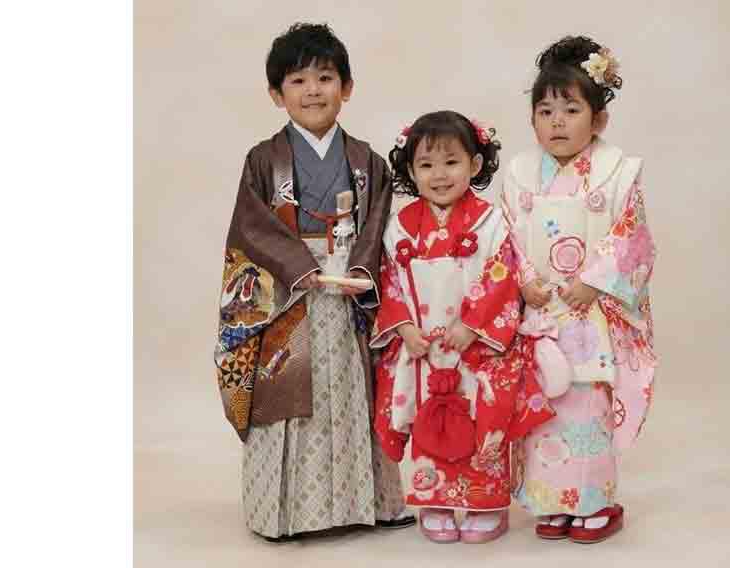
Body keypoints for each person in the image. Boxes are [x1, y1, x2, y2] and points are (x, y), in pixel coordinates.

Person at [213, 22, 412, 541]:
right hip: (289, 293)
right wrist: (301, 267)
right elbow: (250, 227)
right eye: (298, 81)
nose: (313, 91)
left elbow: (377, 224)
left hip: (348, 288)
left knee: (352, 392)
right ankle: (285, 515)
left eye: (326, 78)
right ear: (277, 94)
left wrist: (359, 270)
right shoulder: (263, 159)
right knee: (286, 394)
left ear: (346, 88)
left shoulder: (367, 161)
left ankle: (371, 504)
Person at [502, 35, 658, 544]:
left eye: (571, 109)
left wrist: (593, 281)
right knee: (543, 403)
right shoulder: (520, 173)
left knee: (587, 403)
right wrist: (524, 279)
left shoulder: (617, 170)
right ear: (532, 121)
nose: (558, 122)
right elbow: (505, 234)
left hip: (591, 313)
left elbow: (631, 235)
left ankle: (594, 502)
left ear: (599, 118)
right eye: (545, 111)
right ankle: (550, 502)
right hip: (542, 309)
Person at [371, 111, 555, 544]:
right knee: (425, 415)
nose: (439, 175)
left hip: (474, 346)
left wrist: (473, 325)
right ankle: (434, 501)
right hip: (423, 345)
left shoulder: (490, 222)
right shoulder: (399, 226)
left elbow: (502, 275)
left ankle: (484, 505)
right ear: (411, 170)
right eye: (426, 165)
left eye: (451, 162)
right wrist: (404, 329)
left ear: (474, 165)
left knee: (479, 417)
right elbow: (389, 279)